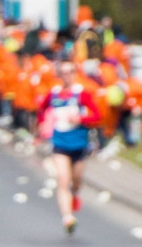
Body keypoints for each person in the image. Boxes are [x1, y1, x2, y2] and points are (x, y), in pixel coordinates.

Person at [37, 61, 101, 234]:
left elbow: (97, 115)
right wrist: (43, 124)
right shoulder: (54, 94)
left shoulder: (81, 94)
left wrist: (81, 119)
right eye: (63, 72)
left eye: (70, 72)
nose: (67, 75)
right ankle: (68, 218)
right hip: (60, 144)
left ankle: (74, 195)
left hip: (80, 144)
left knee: (76, 181)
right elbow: (41, 110)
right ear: (59, 75)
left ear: (75, 73)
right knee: (63, 180)